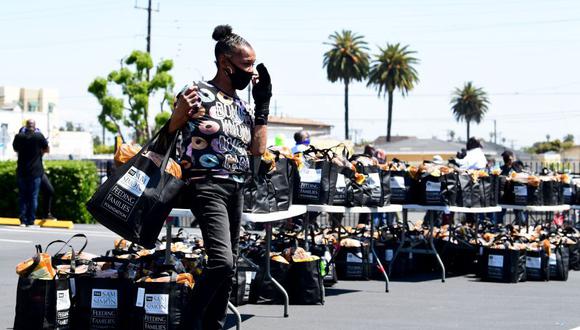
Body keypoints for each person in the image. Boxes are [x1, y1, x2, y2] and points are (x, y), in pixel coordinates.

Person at [167, 25, 270, 329]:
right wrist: (178, 114)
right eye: (247, 65)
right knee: (222, 261)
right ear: (225, 63)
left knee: (230, 266)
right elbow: (170, 130)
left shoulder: (241, 106)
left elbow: (257, 150)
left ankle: (213, 324)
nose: (253, 73)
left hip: (235, 188)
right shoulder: (197, 93)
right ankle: (189, 324)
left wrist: (262, 105)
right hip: (205, 185)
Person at [12, 119, 49, 226]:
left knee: (23, 196)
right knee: (33, 196)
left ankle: (23, 220)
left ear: (26, 126)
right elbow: (46, 149)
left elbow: (15, 149)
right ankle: (31, 220)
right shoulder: (39, 136)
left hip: (22, 171)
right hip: (36, 171)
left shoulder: (19, 136)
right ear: (34, 126)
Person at [18, 125, 56, 220]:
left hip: (37, 170)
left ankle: (46, 214)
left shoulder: (38, 135)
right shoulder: (22, 135)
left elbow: (45, 149)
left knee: (49, 190)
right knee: (28, 194)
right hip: (26, 170)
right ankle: (25, 216)